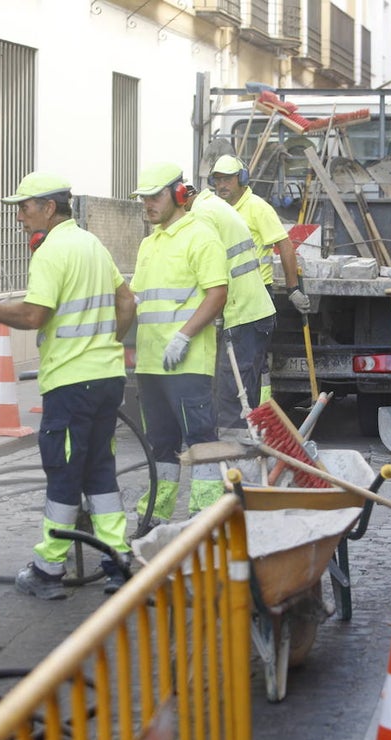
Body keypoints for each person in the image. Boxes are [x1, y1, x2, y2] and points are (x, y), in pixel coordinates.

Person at [0, 172, 137, 599]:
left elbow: (32, 316)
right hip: (106, 379)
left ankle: (48, 569)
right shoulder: (92, 244)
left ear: (48, 207)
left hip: (70, 384)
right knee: (100, 471)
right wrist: (105, 343)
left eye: (24, 208)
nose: (20, 217)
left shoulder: (51, 252)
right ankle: (118, 562)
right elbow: (127, 301)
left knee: (63, 473)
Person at [130, 162, 228, 521]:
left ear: (179, 194)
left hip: (186, 362)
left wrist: (184, 336)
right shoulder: (148, 244)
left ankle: (206, 517)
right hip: (151, 363)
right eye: (144, 199)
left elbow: (217, 293)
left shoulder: (200, 235)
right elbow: (139, 299)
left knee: (201, 441)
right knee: (161, 445)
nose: (148, 205)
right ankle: (155, 514)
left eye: (154, 197)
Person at [209, 154, 308, 403]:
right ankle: (251, 417)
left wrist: (292, 288)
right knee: (237, 366)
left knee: (247, 366)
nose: (222, 185)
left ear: (241, 179)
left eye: (228, 179)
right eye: (218, 179)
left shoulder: (257, 208)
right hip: (228, 295)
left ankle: (253, 418)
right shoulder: (217, 209)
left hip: (255, 295)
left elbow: (284, 245)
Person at [182, 184, 276, 431]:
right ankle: (249, 451)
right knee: (245, 397)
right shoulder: (214, 205)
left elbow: (207, 269)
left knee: (233, 398)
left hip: (242, 312)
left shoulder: (202, 214)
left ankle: (234, 462)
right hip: (254, 311)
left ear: (182, 198)